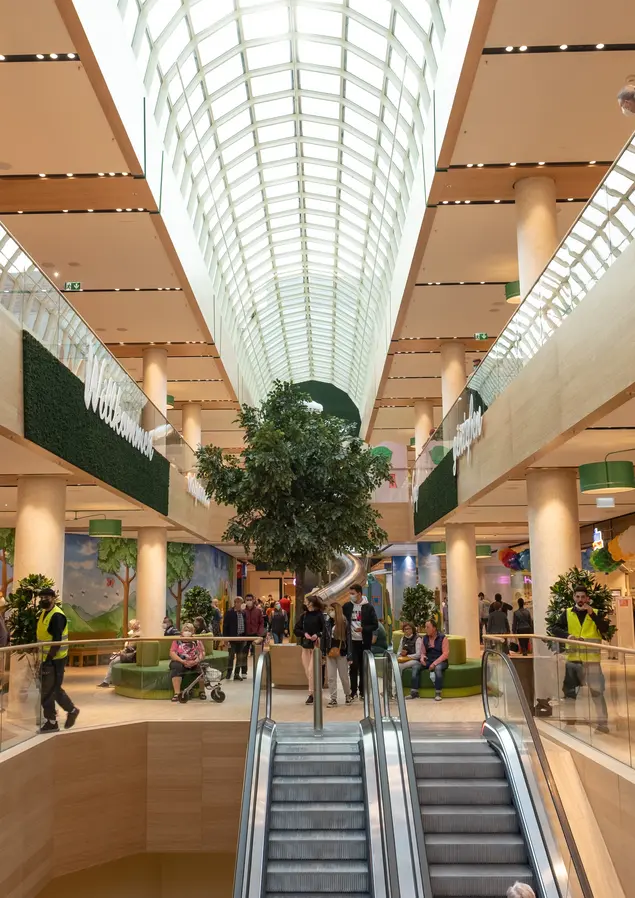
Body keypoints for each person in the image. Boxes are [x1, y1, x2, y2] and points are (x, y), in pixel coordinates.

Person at [551, 585, 610, 734]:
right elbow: (555, 628)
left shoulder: (596, 613)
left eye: (583, 597)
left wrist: (593, 615)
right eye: (577, 597)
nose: (580, 600)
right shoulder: (567, 613)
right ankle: (570, 721)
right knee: (570, 692)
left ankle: (602, 724)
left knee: (597, 692)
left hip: (592, 661)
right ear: (574, 598)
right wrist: (567, 636)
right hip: (573, 659)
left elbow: (604, 629)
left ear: (588, 598)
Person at [37, 589, 79, 733]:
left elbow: (57, 641)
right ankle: (71, 710)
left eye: (46, 597)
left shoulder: (57, 616)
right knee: (53, 689)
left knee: (47, 691)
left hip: (55, 660)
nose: (43, 599)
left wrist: (49, 659)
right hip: (46, 658)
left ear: (53, 598)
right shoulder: (44, 613)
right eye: (41, 597)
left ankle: (52, 721)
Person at [343, 584, 378, 700]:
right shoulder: (347, 607)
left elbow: (375, 625)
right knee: (353, 666)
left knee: (363, 666)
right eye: (350, 593)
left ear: (359, 593)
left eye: (353, 593)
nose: (351, 596)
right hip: (351, 642)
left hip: (364, 642)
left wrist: (364, 629)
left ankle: (363, 691)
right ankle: (353, 692)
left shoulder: (368, 607)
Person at [294, 592, 324, 704]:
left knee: (312, 670)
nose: (305, 603)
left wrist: (318, 634)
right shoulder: (304, 616)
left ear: (311, 603)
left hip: (317, 646)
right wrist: (304, 634)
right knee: (307, 671)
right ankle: (315, 691)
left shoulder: (319, 615)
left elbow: (325, 630)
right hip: (306, 646)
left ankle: (312, 694)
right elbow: (296, 630)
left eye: (307, 601)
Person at [410, 619, 450, 701]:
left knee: (438, 668)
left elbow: (445, 654)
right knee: (415, 666)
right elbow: (422, 652)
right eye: (425, 627)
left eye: (428, 627)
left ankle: (438, 693)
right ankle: (414, 692)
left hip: (441, 661)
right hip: (429, 660)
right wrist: (422, 658)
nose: (425, 629)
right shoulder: (425, 638)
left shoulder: (443, 638)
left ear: (434, 628)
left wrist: (434, 664)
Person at [98, 618, 141, 687]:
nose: (129, 626)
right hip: (131, 654)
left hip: (132, 656)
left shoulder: (136, 635)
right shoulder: (136, 634)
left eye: (130, 625)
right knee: (113, 660)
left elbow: (130, 648)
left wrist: (120, 652)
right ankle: (110, 680)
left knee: (113, 662)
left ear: (134, 626)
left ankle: (106, 682)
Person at [325, 602, 352, 707]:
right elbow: (324, 638)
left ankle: (347, 695)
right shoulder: (327, 622)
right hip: (330, 652)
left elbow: (349, 639)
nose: (330, 612)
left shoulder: (344, 622)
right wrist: (324, 652)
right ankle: (333, 698)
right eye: (329, 610)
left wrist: (350, 655)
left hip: (342, 652)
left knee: (344, 676)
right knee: (331, 677)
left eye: (332, 609)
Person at [169, 622, 205, 701]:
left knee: (201, 667)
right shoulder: (177, 640)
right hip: (180, 661)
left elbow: (202, 653)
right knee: (176, 667)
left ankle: (202, 691)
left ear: (193, 632)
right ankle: (177, 693)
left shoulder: (197, 641)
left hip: (194, 661)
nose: (187, 632)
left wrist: (195, 661)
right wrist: (182, 661)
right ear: (182, 632)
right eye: (185, 630)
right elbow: (172, 653)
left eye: (189, 631)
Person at [223, 596, 247, 681]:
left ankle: (237, 674)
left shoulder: (243, 613)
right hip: (232, 638)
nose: (238, 604)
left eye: (240, 602)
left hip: (241, 638)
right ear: (235, 603)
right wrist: (225, 639)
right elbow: (225, 626)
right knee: (231, 656)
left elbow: (245, 625)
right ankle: (229, 673)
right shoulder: (229, 612)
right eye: (236, 602)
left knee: (240, 657)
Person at [242, 594, 264, 677]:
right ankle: (244, 672)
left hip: (255, 635)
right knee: (244, 654)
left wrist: (259, 634)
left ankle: (258, 672)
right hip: (245, 635)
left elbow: (261, 623)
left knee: (257, 654)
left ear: (253, 600)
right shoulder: (243, 611)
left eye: (250, 599)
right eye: (247, 599)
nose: (249, 601)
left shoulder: (258, 611)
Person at [396, 622, 422, 687]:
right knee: (393, 665)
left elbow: (418, 654)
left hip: (416, 660)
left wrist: (407, 656)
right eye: (405, 629)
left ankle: (396, 690)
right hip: (405, 659)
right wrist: (401, 653)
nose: (407, 630)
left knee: (399, 666)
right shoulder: (403, 639)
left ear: (412, 629)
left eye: (409, 629)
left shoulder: (417, 638)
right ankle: (391, 688)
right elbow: (398, 653)